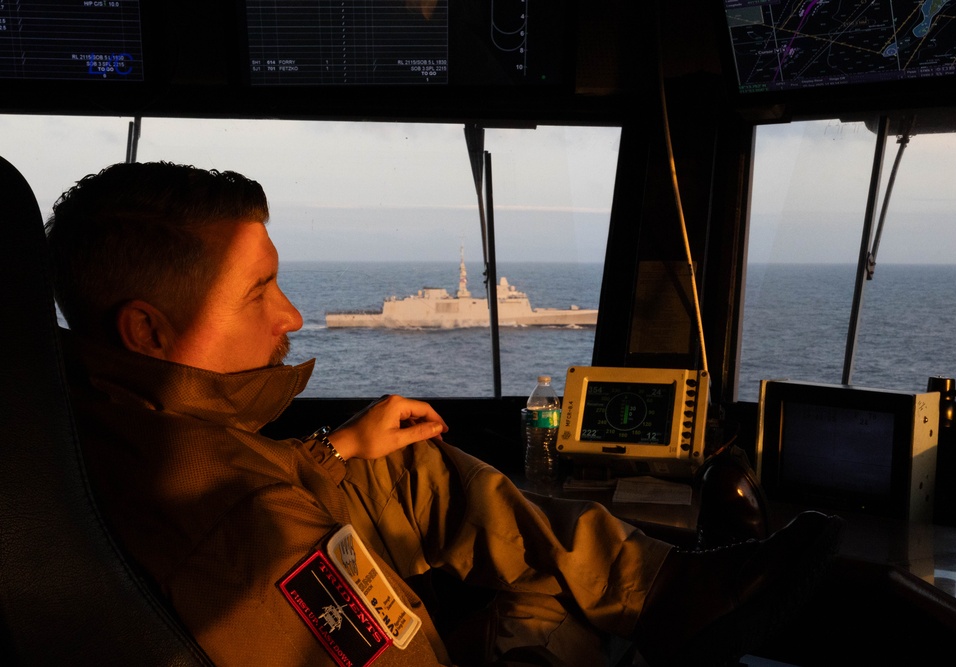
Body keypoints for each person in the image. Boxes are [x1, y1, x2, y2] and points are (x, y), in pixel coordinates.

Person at [46, 161, 843, 667]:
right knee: (546, 609)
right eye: (259, 291)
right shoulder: (246, 537)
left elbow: (220, 466)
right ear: (147, 328)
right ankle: (658, 602)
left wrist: (330, 451)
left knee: (404, 460)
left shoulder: (89, 413)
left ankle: (663, 585)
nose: (292, 315)